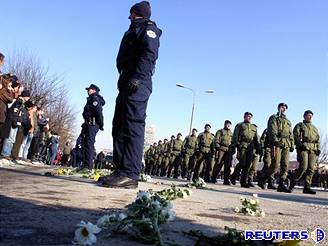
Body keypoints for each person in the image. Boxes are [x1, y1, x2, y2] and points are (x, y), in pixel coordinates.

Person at [102, 1, 162, 188]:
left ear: (139, 14)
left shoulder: (148, 29)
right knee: (119, 125)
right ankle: (120, 170)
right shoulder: (132, 30)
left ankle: (130, 173)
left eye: (132, 13)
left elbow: (149, 55)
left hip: (138, 82)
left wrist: (138, 77)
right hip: (127, 82)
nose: (129, 17)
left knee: (133, 125)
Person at [258, 103, 294, 193]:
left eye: (285, 108)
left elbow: (291, 134)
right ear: (278, 108)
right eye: (282, 107)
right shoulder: (274, 117)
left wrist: (292, 144)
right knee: (275, 164)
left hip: (286, 144)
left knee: (285, 164)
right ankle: (263, 179)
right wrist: (275, 140)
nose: (284, 109)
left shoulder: (288, 121)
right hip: (277, 143)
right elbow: (272, 129)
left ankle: (281, 184)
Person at [290, 110, 320, 194]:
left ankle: (307, 187)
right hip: (303, 148)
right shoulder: (300, 125)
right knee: (303, 166)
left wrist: (318, 148)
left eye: (311, 115)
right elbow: (295, 136)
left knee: (311, 168)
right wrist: (299, 145)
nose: (309, 117)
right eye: (308, 115)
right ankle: (293, 182)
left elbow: (317, 139)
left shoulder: (314, 128)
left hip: (313, 149)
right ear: (304, 116)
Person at [230, 112, 260, 188]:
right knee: (242, 163)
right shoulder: (240, 125)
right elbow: (235, 136)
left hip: (251, 147)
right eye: (248, 116)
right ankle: (234, 175)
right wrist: (235, 145)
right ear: (244, 117)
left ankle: (243, 182)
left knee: (248, 165)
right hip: (242, 145)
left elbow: (256, 139)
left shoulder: (254, 127)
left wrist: (258, 148)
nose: (249, 118)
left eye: (250, 117)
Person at [79, 84, 105, 170]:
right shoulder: (90, 99)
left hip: (92, 124)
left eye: (89, 89)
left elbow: (98, 112)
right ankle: (85, 164)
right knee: (85, 143)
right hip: (88, 124)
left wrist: (101, 124)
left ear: (94, 90)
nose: (87, 91)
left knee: (89, 144)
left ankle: (88, 165)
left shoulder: (95, 99)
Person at [211, 120, 233, 185]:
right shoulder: (220, 131)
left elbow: (233, 142)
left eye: (229, 124)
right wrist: (217, 146)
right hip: (221, 149)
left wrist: (233, 149)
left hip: (229, 150)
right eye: (227, 124)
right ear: (224, 124)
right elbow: (216, 139)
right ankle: (214, 177)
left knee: (228, 165)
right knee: (218, 163)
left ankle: (226, 180)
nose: (228, 125)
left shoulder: (231, 133)